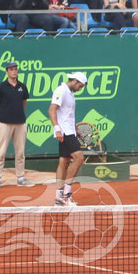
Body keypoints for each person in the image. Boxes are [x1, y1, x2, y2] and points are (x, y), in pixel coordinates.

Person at [0, 61, 33, 189]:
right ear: (7, 72)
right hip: (5, 124)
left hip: (20, 123)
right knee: (1, 152)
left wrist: (17, 114)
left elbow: (24, 103)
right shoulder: (0, 87)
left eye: (15, 69)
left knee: (20, 153)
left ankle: (20, 178)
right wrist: (3, 117)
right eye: (11, 69)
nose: (14, 71)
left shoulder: (22, 87)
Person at [49, 72, 87, 207]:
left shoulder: (70, 93)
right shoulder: (61, 90)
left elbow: (67, 114)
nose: (80, 89)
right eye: (80, 86)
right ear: (75, 81)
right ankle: (66, 194)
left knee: (64, 161)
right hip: (64, 131)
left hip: (70, 130)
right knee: (79, 158)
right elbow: (52, 110)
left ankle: (59, 197)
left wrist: (75, 128)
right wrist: (57, 129)